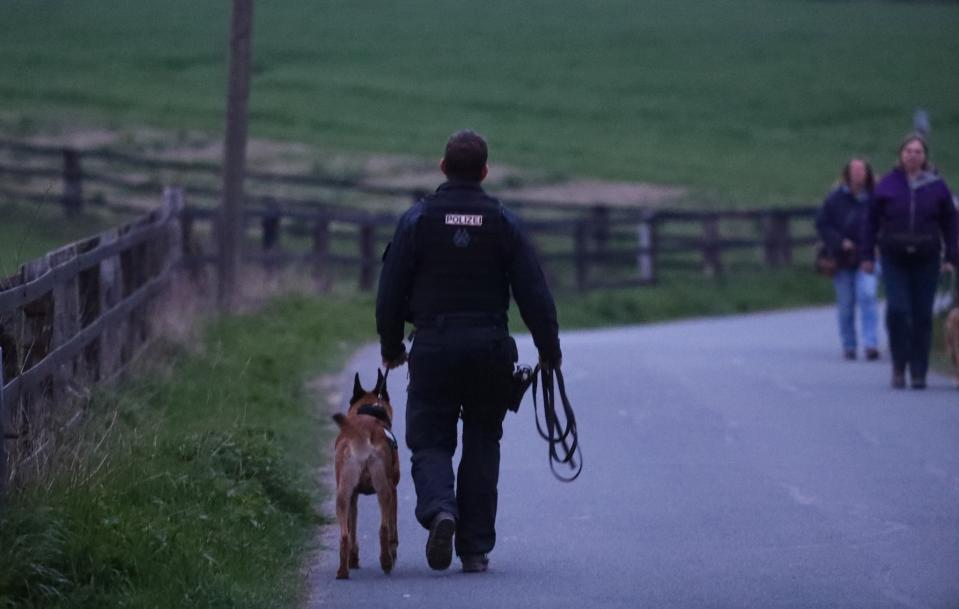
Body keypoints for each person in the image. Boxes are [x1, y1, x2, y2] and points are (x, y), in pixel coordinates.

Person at [376, 129, 562, 573]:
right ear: (484, 171)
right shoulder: (504, 222)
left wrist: (391, 346)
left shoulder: (417, 220)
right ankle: (474, 549)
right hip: (489, 347)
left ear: (443, 167)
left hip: (434, 346)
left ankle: (442, 510)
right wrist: (548, 350)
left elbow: (389, 291)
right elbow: (534, 292)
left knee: (429, 439)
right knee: (483, 440)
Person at [861, 133, 957, 389]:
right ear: (900, 155)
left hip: (926, 257)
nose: (912, 156)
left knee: (922, 315)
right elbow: (870, 221)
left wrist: (951, 256)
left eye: (917, 152)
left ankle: (919, 370)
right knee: (898, 310)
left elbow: (950, 223)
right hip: (894, 256)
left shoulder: (937, 186)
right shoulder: (887, 185)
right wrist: (867, 255)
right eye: (908, 151)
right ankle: (898, 365)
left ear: (925, 157)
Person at [815, 158, 880, 361]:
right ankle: (849, 344)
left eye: (862, 170)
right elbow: (822, 224)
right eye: (855, 170)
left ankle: (871, 344)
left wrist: (878, 243)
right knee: (846, 304)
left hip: (867, 256)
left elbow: (885, 222)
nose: (859, 174)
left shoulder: (875, 199)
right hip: (842, 259)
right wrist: (839, 241)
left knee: (868, 295)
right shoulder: (835, 199)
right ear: (847, 174)